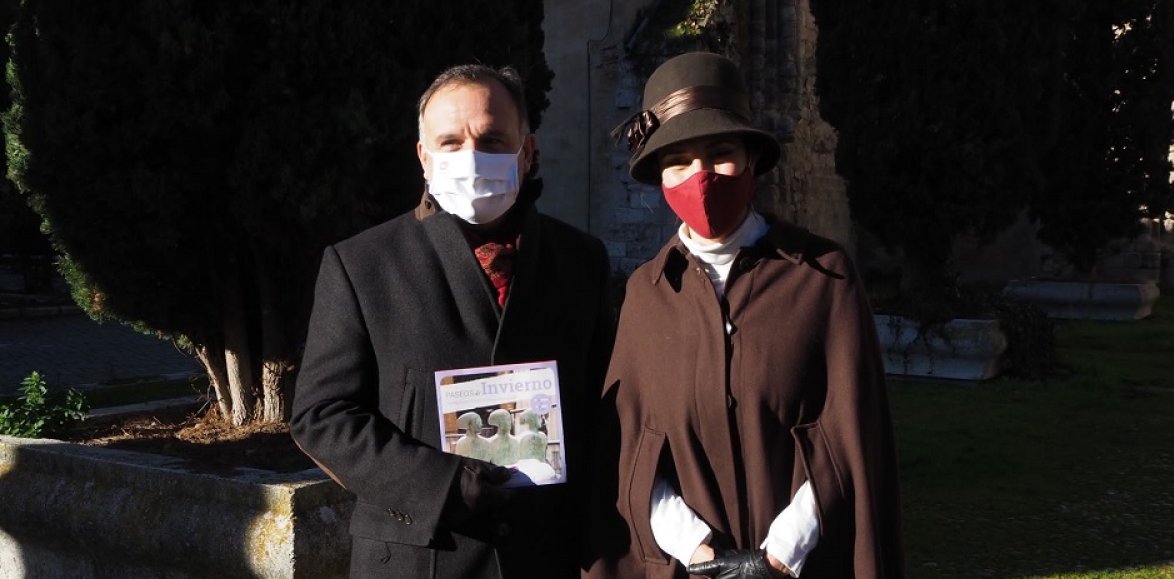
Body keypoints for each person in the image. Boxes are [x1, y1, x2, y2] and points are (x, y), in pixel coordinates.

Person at [589, 52, 905, 578]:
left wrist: (782, 553)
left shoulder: (822, 277)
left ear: (752, 159)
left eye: (719, 153)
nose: (701, 176)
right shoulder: (646, 294)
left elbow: (854, 432)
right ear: (660, 177)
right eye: (680, 161)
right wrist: (699, 552)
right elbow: (629, 451)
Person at [291, 63, 613, 579]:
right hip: (421, 557)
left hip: (549, 556)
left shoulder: (581, 260)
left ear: (526, 152)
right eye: (450, 141)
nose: (472, 157)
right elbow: (322, 415)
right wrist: (441, 484)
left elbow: (604, 407)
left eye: (492, 139)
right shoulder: (362, 264)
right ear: (424, 157)